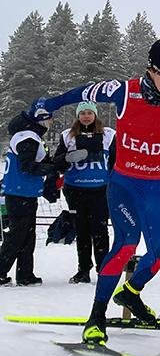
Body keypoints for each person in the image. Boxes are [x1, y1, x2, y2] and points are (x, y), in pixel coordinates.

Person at [31, 37, 160, 343]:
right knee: (126, 244)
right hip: (125, 185)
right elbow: (82, 92)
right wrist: (48, 104)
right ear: (151, 70)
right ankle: (96, 316)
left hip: (158, 188)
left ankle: (130, 294)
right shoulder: (125, 91)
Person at [53, 101, 116, 283]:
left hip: (100, 190)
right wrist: (67, 158)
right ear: (77, 116)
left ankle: (103, 269)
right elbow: (57, 163)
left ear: (95, 115)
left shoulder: (109, 135)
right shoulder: (67, 136)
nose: (86, 116)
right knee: (81, 231)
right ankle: (83, 270)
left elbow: (115, 162)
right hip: (76, 191)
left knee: (100, 230)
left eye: (89, 112)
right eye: (82, 113)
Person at [0, 105, 57, 287]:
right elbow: (28, 166)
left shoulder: (27, 136)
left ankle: (25, 274)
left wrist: (53, 165)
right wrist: (52, 168)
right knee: (18, 236)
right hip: (19, 194)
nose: (51, 122)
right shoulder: (28, 138)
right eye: (49, 118)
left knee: (27, 236)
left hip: (23, 193)